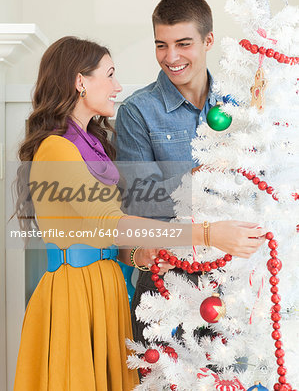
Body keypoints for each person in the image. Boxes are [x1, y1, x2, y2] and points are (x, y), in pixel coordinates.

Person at [13, 36, 264, 391]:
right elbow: (109, 223)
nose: (117, 87)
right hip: (74, 295)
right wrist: (208, 234)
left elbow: (100, 234)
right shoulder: (56, 148)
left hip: (105, 286)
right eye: (110, 75)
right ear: (79, 81)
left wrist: (138, 254)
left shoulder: (92, 145)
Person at [114, 0, 242, 346]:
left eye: (183, 43)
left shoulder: (241, 106)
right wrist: (201, 179)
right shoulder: (137, 111)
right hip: (166, 288)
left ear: (209, 40)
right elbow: (140, 203)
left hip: (239, 285)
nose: (171, 57)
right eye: (161, 45)